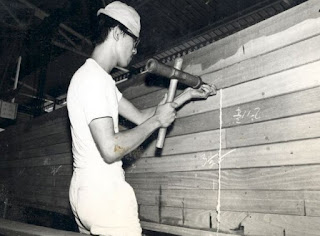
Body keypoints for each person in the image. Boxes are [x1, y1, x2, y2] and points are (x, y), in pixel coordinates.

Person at [67, 1, 215, 236]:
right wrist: (157, 122)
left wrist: (185, 96)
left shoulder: (96, 79)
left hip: (84, 193)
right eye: (134, 41)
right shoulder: (93, 79)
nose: (134, 50)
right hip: (104, 193)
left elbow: (140, 117)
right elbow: (110, 148)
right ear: (117, 33)